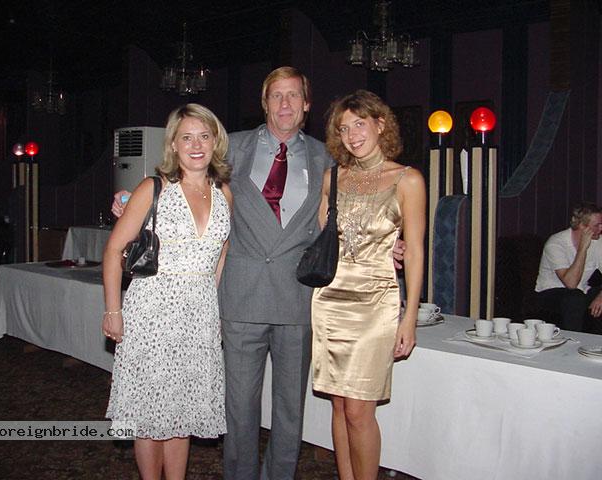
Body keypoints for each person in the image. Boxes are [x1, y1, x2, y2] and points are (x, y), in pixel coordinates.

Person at [112, 67, 405, 479]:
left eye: (293, 95)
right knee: (238, 408)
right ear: (264, 103)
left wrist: (387, 241)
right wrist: (130, 197)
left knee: (289, 411)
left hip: (297, 299)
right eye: (276, 96)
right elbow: (182, 177)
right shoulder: (231, 147)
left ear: (306, 104)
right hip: (240, 298)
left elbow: (355, 209)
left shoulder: (327, 158)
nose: (285, 104)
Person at [103, 103, 232, 480]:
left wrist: (211, 308)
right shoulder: (153, 188)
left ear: (215, 142)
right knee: (149, 411)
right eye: (186, 137)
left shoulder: (224, 192)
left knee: (182, 410)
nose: (196, 145)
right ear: (173, 144)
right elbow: (113, 250)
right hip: (151, 312)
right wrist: (113, 311)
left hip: (198, 318)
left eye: (204, 136)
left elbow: (220, 254)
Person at [311, 90, 425, 480]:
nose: (352, 135)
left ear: (380, 123)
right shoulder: (333, 178)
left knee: (360, 410)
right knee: (340, 406)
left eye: (359, 124)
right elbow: (326, 238)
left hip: (375, 303)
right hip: (329, 301)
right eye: (344, 128)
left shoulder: (407, 179)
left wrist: (409, 317)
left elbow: (416, 251)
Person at [534, 202, 602, 332]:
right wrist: (582, 249)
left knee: (579, 296)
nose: (601, 228)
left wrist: (601, 296)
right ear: (582, 226)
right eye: (597, 225)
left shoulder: (598, 241)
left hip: (581, 291)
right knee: (575, 298)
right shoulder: (556, 243)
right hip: (550, 293)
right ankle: (574, 341)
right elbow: (571, 283)